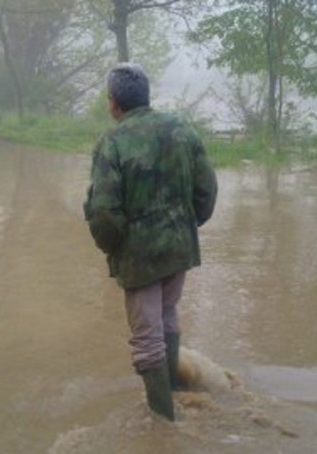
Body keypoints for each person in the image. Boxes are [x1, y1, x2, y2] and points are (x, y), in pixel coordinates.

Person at [83, 64, 218, 421]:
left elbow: (103, 211)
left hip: (140, 257)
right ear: (145, 96)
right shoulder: (181, 128)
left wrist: (114, 247)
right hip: (179, 247)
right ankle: (172, 391)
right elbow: (207, 190)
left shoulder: (111, 143)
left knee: (146, 338)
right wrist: (185, 225)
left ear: (113, 103)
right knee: (168, 315)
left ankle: (163, 424)